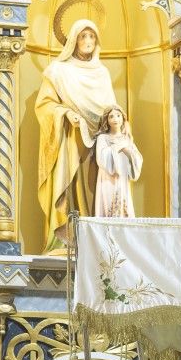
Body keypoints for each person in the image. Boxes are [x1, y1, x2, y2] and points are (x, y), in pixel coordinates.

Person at [35, 18, 120, 247]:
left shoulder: (101, 73)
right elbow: (44, 105)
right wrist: (64, 113)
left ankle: (95, 243)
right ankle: (65, 241)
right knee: (69, 190)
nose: (88, 41)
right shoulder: (58, 71)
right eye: (83, 36)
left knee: (96, 193)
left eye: (92, 36)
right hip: (69, 141)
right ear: (74, 40)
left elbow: (111, 109)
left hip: (98, 149)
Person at [94, 105, 143, 218]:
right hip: (107, 180)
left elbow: (137, 158)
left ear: (123, 118)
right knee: (109, 209)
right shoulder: (103, 138)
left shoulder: (127, 139)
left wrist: (128, 152)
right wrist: (117, 148)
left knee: (123, 210)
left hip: (122, 180)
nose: (115, 119)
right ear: (107, 120)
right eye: (111, 116)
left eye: (118, 115)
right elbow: (101, 158)